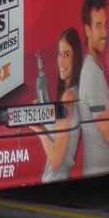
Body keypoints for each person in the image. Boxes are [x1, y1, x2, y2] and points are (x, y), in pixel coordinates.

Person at [78, 0, 109, 175]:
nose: (105, 32)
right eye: (98, 26)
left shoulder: (96, 68)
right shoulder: (92, 77)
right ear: (87, 30)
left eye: (106, 25)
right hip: (98, 174)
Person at [31, 28, 82, 182]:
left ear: (76, 58)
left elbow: (56, 160)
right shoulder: (71, 93)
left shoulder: (69, 96)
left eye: (67, 55)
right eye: (59, 54)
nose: (61, 61)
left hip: (54, 177)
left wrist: (38, 130)